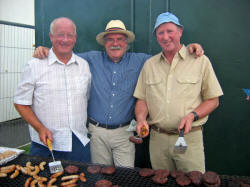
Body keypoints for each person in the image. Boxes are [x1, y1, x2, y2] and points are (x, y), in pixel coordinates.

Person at [33, 19, 204, 167]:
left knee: (125, 175)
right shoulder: (91, 58)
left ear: (127, 43)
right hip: (97, 133)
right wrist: (45, 50)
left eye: (120, 39)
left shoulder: (142, 60)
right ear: (104, 43)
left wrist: (189, 48)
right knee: (100, 175)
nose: (115, 43)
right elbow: (64, 54)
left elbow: (168, 54)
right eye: (110, 40)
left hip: (124, 134)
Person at [134, 12, 223, 173]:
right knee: (161, 182)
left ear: (180, 32)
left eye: (170, 31)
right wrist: (141, 119)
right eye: (160, 33)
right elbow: (142, 99)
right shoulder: (149, 65)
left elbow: (213, 100)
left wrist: (192, 116)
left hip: (188, 139)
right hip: (157, 141)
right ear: (156, 36)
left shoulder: (200, 60)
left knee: (193, 181)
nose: (165, 37)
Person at [14, 17, 91, 162]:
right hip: (45, 144)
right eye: (60, 34)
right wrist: (39, 128)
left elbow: (86, 98)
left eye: (69, 35)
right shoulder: (34, 65)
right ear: (51, 37)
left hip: (78, 142)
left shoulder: (84, 65)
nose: (65, 39)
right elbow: (20, 103)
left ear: (75, 38)